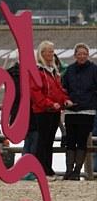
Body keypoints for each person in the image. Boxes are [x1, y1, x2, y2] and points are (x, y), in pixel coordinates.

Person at [30, 41, 73, 178]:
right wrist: (49, 103)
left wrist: (64, 99)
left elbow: (59, 90)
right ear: (41, 53)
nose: (51, 54)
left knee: (49, 140)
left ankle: (48, 168)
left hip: (55, 110)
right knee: (42, 141)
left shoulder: (54, 71)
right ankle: (41, 169)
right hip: (42, 111)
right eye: (48, 51)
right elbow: (36, 92)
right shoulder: (37, 71)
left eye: (52, 51)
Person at [61, 43, 97, 180]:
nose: (82, 56)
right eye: (79, 54)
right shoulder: (69, 70)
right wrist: (66, 100)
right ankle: (68, 170)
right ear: (75, 55)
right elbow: (63, 89)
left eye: (84, 54)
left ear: (88, 55)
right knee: (70, 141)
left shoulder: (94, 70)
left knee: (82, 141)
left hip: (87, 111)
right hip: (71, 111)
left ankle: (77, 171)